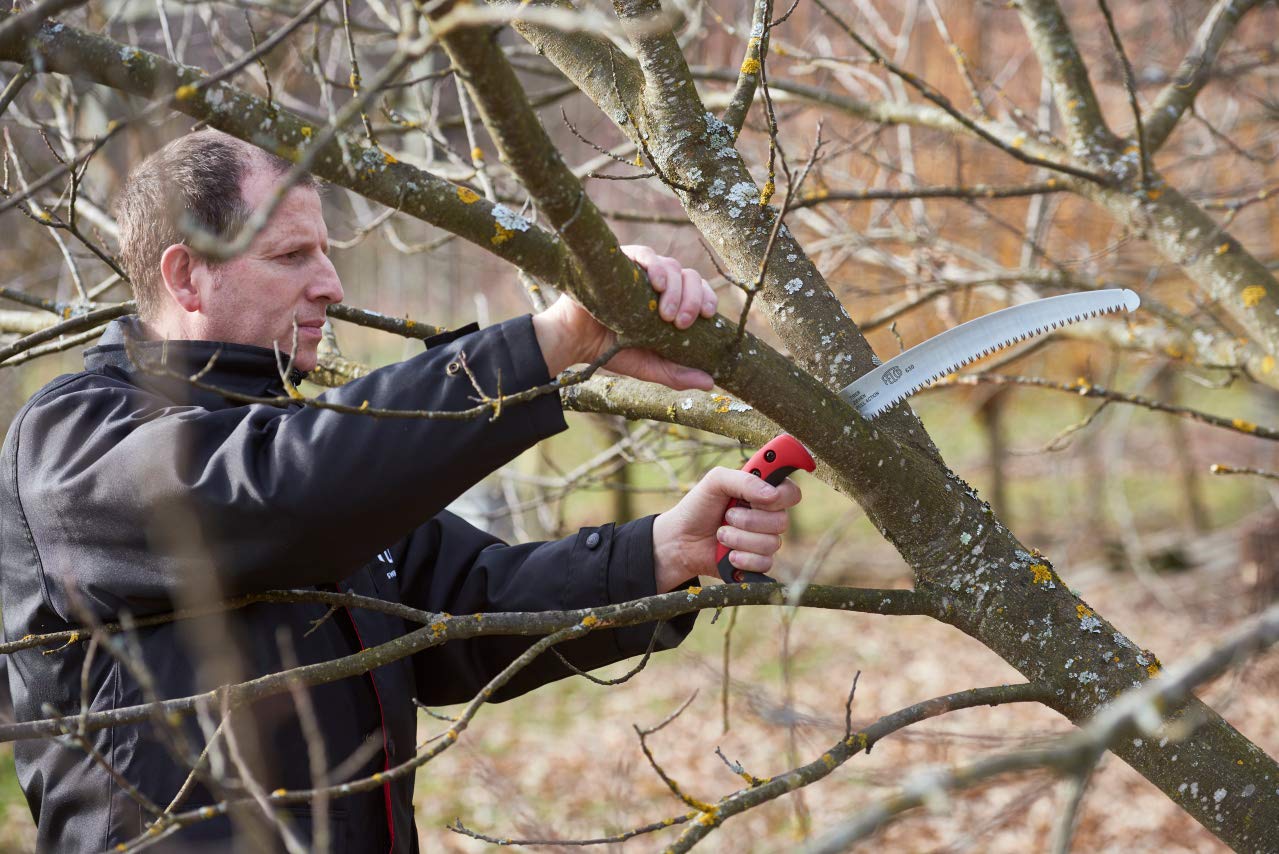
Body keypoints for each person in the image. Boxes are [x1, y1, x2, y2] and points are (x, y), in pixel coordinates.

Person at [0, 129, 802, 852]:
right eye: (289, 256)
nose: (330, 283)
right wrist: (548, 344)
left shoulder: (321, 462)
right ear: (186, 276)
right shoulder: (73, 441)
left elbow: (461, 609)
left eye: (325, 251)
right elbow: (274, 490)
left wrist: (661, 553)